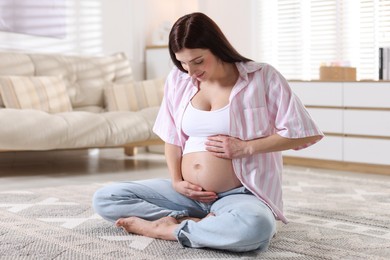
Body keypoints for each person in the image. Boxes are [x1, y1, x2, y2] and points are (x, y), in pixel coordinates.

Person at [93, 12, 323, 252]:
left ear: (217, 48)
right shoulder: (178, 80)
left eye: (198, 61)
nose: (190, 71)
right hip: (186, 195)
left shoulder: (262, 77)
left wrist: (247, 147)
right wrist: (176, 181)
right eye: (182, 62)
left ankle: (168, 229)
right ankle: (192, 221)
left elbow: (304, 132)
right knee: (106, 199)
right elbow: (172, 138)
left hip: (240, 194)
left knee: (257, 227)